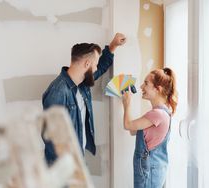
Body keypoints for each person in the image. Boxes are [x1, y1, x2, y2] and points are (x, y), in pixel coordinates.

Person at [42, 33, 126, 165]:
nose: (97, 68)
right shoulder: (58, 91)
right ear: (87, 64)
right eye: (95, 64)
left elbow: (101, 67)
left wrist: (113, 46)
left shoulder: (81, 84)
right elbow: (51, 137)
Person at [122, 68, 178, 188]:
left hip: (148, 170)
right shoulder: (161, 112)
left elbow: (127, 125)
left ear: (158, 89)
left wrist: (126, 105)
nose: (141, 86)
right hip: (151, 169)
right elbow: (133, 130)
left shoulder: (157, 114)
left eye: (146, 83)